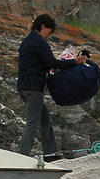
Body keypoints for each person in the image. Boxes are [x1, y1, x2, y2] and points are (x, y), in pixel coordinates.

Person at [16, 13, 83, 160]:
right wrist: (74, 62)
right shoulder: (39, 42)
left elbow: (40, 63)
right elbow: (52, 63)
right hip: (33, 89)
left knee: (44, 119)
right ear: (43, 27)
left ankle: (51, 154)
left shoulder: (27, 41)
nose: (48, 35)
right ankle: (22, 157)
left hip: (23, 87)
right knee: (32, 123)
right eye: (49, 31)